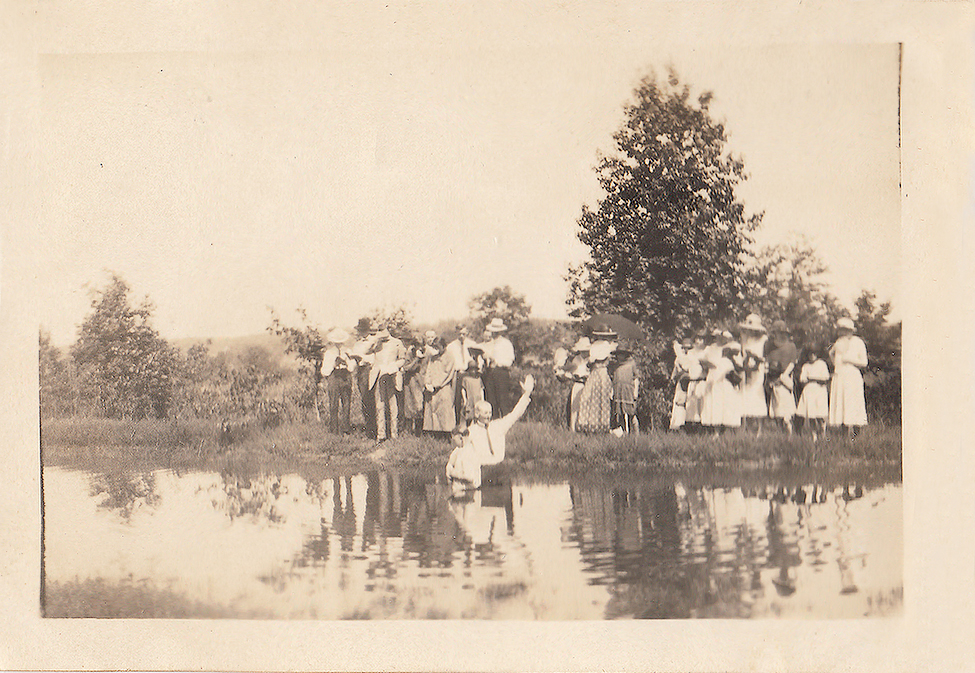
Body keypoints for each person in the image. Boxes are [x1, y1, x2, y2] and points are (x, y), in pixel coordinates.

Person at [451, 374, 534, 489]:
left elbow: (515, 414)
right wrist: (451, 467)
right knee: (463, 454)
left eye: (490, 413)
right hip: (481, 467)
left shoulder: (498, 426)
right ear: (476, 414)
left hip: (497, 465)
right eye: (485, 413)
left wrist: (526, 394)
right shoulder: (471, 430)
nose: (488, 416)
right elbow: (460, 450)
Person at [828, 317, 868, 438]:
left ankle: (856, 436)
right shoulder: (838, 342)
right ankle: (844, 436)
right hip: (840, 376)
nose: (842, 333)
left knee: (854, 404)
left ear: (851, 330)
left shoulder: (858, 342)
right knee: (842, 404)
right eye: (840, 330)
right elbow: (831, 353)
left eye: (845, 330)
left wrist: (849, 360)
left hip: (852, 377)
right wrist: (835, 363)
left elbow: (864, 362)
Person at [370, 327, 406, 442]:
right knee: (379, 405)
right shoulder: (376, 343)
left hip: (392, 376)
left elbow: (402, 359)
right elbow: (367, 352)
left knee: (393, 406)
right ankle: (381, 435)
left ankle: (394, 434)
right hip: (379, 376)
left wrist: (394, 366)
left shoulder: (397, 343)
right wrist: (375, 340)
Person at [701, 336, 743, 432]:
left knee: (724, 407)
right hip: (719, 387)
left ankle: (726, 430)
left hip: (725, 387)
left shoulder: (728, 362)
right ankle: (721, 430)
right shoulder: (722, 361)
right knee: (720, 406)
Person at [765, 320, 798, 434]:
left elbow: (793, 363)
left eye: (782, 332)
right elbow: (767, 360)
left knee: (786, 405)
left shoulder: (791, 346)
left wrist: (784, 376)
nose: (780, 335)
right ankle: (780, 431)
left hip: (785, 377)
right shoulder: (769, 346)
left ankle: (789, 430)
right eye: (778, 332)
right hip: (772, 377)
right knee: (776, 405)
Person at [738, 313, 769, 434]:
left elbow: (764, 357)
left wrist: (756, 359)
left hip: (758, 370)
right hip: (746, 369)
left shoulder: (763, 340)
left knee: (757, 395)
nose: (750, 331)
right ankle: (748, 427)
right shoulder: (745, 339)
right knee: (746, 395)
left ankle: (760, 428)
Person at [320, 327, 355, 434]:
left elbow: (353, 366)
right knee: (333, 404)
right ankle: (334, 429)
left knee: (346, 403)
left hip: (345, 376)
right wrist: (333, 365)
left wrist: (347, 364)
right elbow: (324, 371)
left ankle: (346, 428)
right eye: (336, 342)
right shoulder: (329, 353)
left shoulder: (348, 351)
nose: (338, 344)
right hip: (334, 377)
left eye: (340, 342)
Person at [479, 318, 516, 419]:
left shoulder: (506, 343)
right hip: (489, 372)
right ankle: (493, 425)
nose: (494, 334)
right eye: (493, 331)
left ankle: (506, 424)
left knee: (503, 401)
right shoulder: (490, 343)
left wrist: (496, 361)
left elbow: (510, 361)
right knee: (491, 400)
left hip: (501, 373)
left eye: (496, 332)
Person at [576, 339, 613, 433]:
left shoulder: (598, 346)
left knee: (593, 398)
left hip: (596, 375)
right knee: (600, 399)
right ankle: (600, 425)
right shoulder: (603, 346)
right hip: (601, 374)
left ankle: (592, 425)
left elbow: (590, 363)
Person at [423, 336, 458, 434]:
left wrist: (436, 384)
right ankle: (434, 431)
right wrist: (428, 383)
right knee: (432, 410)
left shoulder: (449, 357)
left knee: (444, 410)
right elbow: (429, 370)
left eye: (438, 347)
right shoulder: (433, 358)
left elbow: (447, 373)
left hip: (443, 387)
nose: (437, 349)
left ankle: (446, 432)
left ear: (443, 346)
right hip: (432, 387)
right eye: (435, 347)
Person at [350, 318, 378, 437]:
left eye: (362, 330)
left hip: (370, 371)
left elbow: (376, 358)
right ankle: (369, 428)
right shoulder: (358, 343)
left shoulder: (374, 341)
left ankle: (375, 429)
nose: (360, 333)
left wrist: (364, 359)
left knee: (371, 399)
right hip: (360, 372)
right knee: (365, 400)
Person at [797, 345, 830, 440]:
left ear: (817, 354)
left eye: (814, 354)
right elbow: (802, 380)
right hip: (809, 391)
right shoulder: (806, 366)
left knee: (820, 415)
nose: (812, 356)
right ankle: (814, 436)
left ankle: (823, 431)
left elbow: (825, 379)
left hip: (819, 391)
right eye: (810, 354)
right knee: (811, 415)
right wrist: (813, 380)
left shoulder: (822, 364)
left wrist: (812, 378)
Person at [556, 337, 590, 431]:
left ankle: (584, 427)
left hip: (587, 385)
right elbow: (571, 372)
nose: (584, 353)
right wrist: (570, 376)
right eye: (582, 351)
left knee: (586, 407)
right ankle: (573, 428)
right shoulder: (576, 360)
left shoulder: (590, 360)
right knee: (575, 406)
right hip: (578, 384)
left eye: (586, 351)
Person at [445, 325, 476, 424]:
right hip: (458, 374)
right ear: (456, 333)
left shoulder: (472, 344)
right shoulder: (451, 346)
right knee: (458, 399)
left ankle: (471, 423)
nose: (462, 336)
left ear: (467, 333)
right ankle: (457, 422)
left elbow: (478, 359)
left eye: (464, 334)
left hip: (470, 374)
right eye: (460, 334)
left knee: (471, 398)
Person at [400, 334, 428, 435]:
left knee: (419, 405)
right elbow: (407, 367)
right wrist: (416, 358)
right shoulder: (410, 352)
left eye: (421, 345)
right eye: (417, 345)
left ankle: (418, 431)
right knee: (409, 406)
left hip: (421, 381)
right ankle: (408, 431)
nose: (419, 348)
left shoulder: (427, 352)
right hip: (410, 382)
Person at [612, 348, 639, 434]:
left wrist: (636, 392)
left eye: (622, 354)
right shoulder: (615, 365)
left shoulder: (631, 363)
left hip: (628, 391)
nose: (620, 356)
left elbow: (636, 378)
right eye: (619, 354)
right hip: (618, 390)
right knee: (619, 413)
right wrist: (612, 391)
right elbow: (613, 379)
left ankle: (635, 432)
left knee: (631, 412)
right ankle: (623, 432)